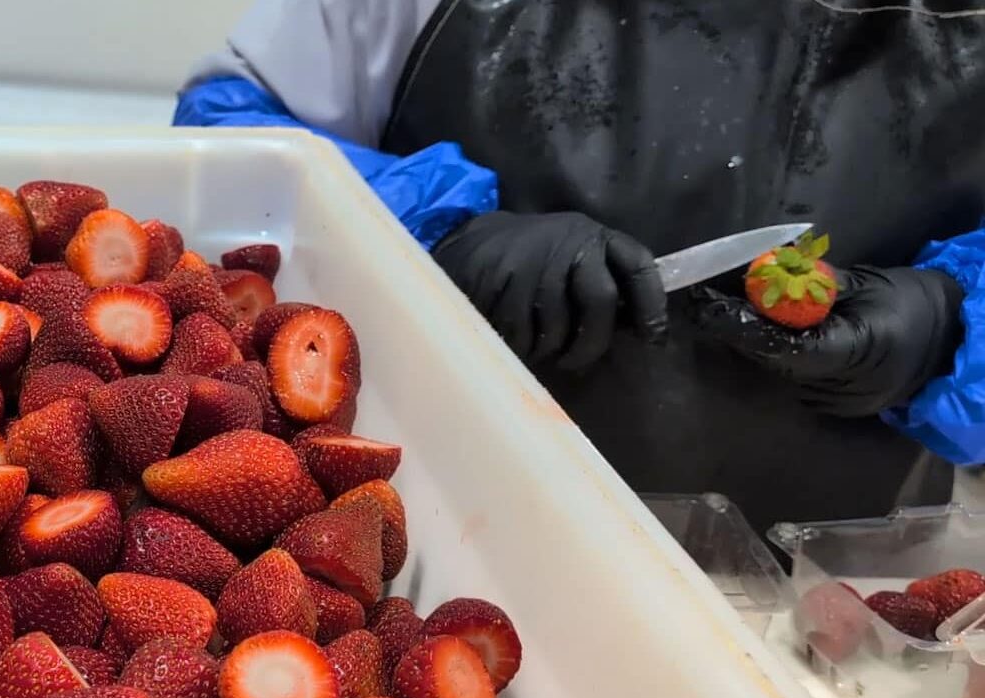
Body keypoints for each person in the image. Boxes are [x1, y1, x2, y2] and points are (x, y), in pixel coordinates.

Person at [176, 0, 985, 529]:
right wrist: (433, 236)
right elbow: (226, 154)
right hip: (428, 565)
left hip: (835, 614)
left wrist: (956, 326)